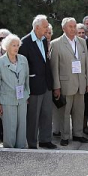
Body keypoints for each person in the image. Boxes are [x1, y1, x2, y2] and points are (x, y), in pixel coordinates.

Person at [50, 17, 88, 146]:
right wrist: (56, 86)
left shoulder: (82, 42)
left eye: (74, 26)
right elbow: (54, 67)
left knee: (79, 111)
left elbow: (86, 65)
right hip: (65, 84)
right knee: (64, 112)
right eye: (70, 26)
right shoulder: (56, 43)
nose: (73, 29)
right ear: (64, 28)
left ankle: (78, 134)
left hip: (80, 83)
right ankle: (65, 136)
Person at [19, 15, 57, 150]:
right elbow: (22, 67)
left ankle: (45, 140)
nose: (48, 28)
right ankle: (32, 142)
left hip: (46, 84)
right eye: (45, 26)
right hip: (33, 86)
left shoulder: (44, 41)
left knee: (47, 113)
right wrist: (25, 89)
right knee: (33, 117)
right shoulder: (25, 42)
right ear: (37, 27)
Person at [0, 33, 30, 149]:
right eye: (13, 45)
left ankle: (21, 148)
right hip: (7, 99)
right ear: (7, 47)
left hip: (22, 98)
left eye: (17, 45)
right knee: (10, 126)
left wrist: (27, 94)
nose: (16, 48)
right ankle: (9, 149)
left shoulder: (23, 60)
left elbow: (27, 79)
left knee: (22, 125)